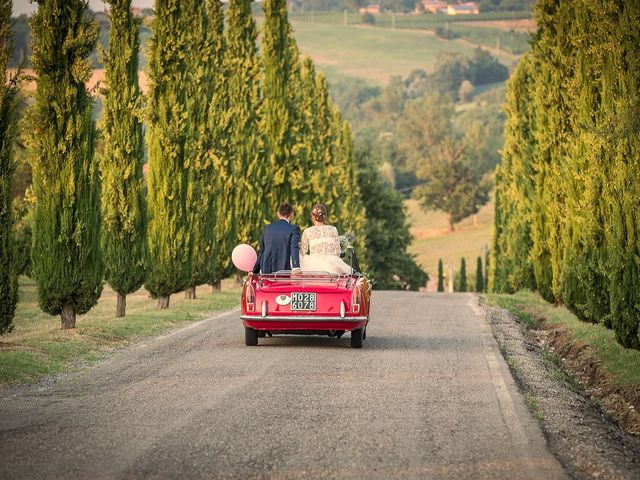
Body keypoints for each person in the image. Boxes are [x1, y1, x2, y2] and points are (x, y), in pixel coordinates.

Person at [300, 204, 352, 275]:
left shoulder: (307, 231)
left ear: (313, 217)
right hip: (332, 264)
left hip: (313, 265)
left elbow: (303, 252)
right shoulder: (333, 229)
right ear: (324, 216)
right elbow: (337, 251)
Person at [253, 202, 301, 275]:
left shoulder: (267, 229)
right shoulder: (294, 229)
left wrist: (255, 270)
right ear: (291, 214)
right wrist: (296, 267)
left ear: (278, 213)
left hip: (266, 270)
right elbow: (294, 248)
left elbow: (262, 251)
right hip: (284, 271)